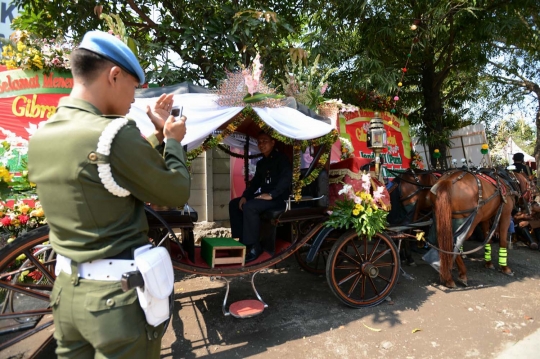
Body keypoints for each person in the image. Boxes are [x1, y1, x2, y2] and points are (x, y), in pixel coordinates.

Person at [28, 31, 191, 358]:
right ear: (114, 75)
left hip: (66, 295)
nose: (133, 99)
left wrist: (157, 136)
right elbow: (175, 191)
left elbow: (105, 175)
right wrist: (173, 140)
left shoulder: (43, 135)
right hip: (113, 302)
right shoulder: (113, 133)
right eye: (133, 86)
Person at [229, 132, 292, 262]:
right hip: (265, 197)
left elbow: (286, 180)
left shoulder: (282, 159)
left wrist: (272, 195)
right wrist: (245, 196)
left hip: (279, 198)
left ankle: (253, 246)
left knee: (250, 207)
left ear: (273, 142)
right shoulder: (261, 163)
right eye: (259, 142)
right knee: (235, 204)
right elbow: (255, 183)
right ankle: (240, 242)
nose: (261, 144)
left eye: (265, 141)